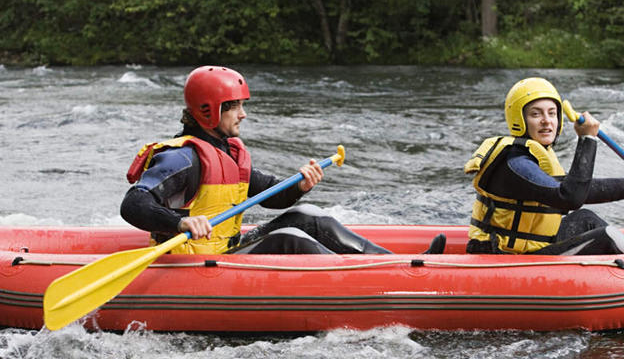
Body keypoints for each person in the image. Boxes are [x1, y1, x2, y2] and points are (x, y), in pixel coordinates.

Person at [121, 65, 446, 255]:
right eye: (235, 107)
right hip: (195, 265)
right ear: (211, 109)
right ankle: (370, 282)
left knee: (307, 216)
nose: (243, 114)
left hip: (226, 250)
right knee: (287, 240)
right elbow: (133, 203)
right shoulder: (183, 158)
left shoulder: (228, 152)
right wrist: (180, 222)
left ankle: (396, 266)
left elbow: (269, 194)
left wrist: (299, 186)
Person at [464, 77, 624, 255]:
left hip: (528, 249)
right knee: (606, 236)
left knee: (585, 219)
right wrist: (587, 139)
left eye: (552, 113)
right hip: (504, 258)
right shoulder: (515, 163)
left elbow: (580, 189)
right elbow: (571, 197)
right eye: (536, 114)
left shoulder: (531, 156)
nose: (546, 121)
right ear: (519, 119)